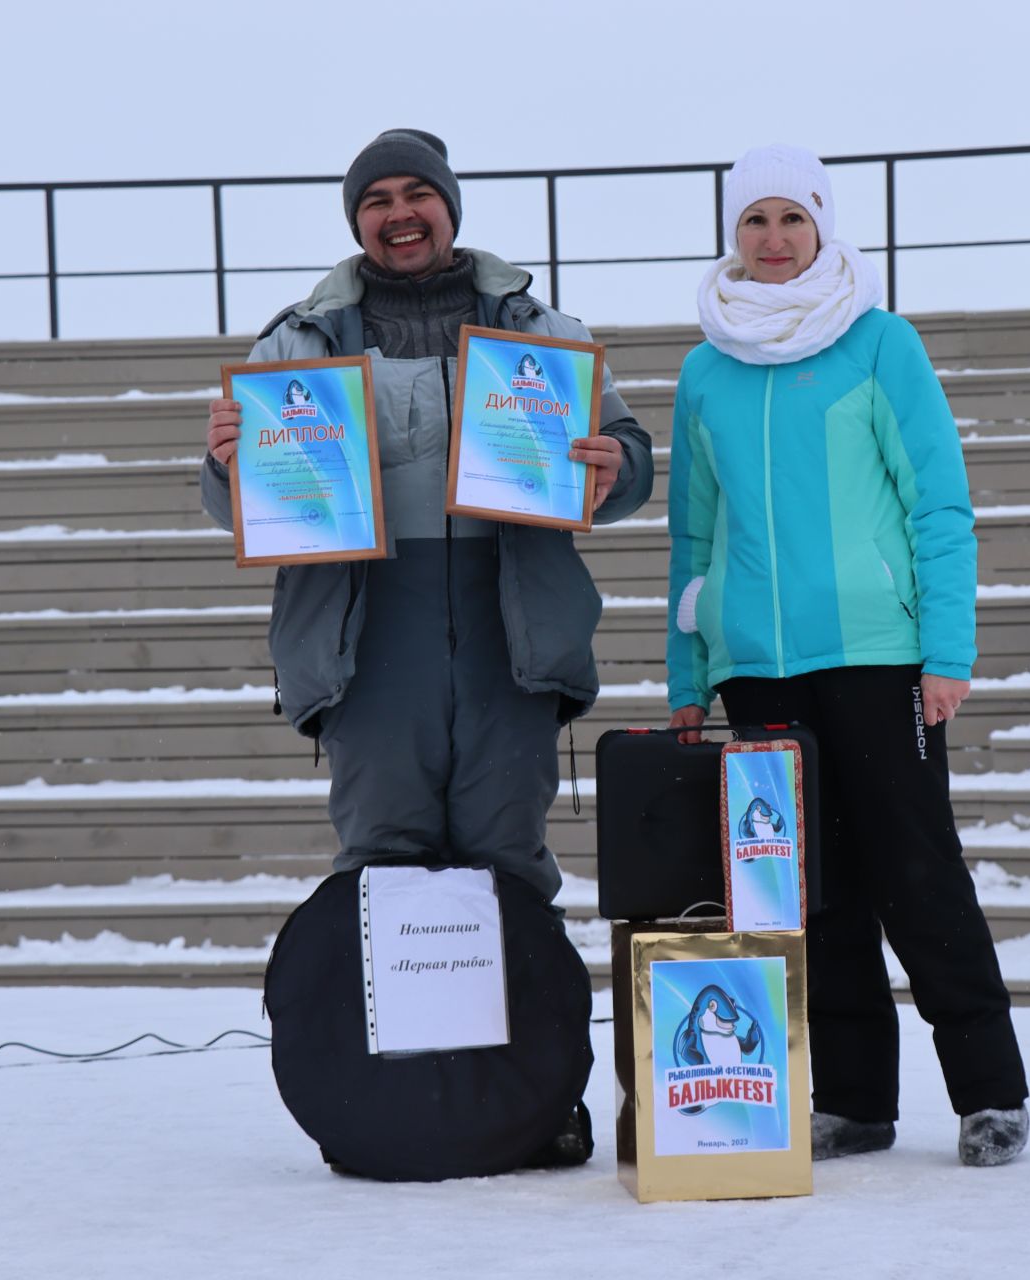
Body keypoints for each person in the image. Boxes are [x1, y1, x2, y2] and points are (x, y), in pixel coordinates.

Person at [201, 128, 654, 1168]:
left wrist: (608, 467)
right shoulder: (297, 343)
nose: (401, 213)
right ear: (355, 220)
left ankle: (538, 1098)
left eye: (419, 195)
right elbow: (236, 496)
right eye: (378, 200)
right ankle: (393, 1096)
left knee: (508, 869)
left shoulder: (540, 329)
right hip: (370, 640)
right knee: (386, 874)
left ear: (451, 208)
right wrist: (227, 462)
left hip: (510, 630)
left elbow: (628, 456)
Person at [665, 144, 1030, 1167]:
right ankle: (857, 1102)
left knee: (917, 872)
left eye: (792, 219)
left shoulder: (879, 345)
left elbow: (939, 506)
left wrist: (946, 652)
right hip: (755, 666)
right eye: (755, 221)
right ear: (732, 235)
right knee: (806, 886)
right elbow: (691, 539)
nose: (773, 240)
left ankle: (990, 1090)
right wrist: (687, 678)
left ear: (823, 226)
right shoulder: (707, 365)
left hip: (878, 656)